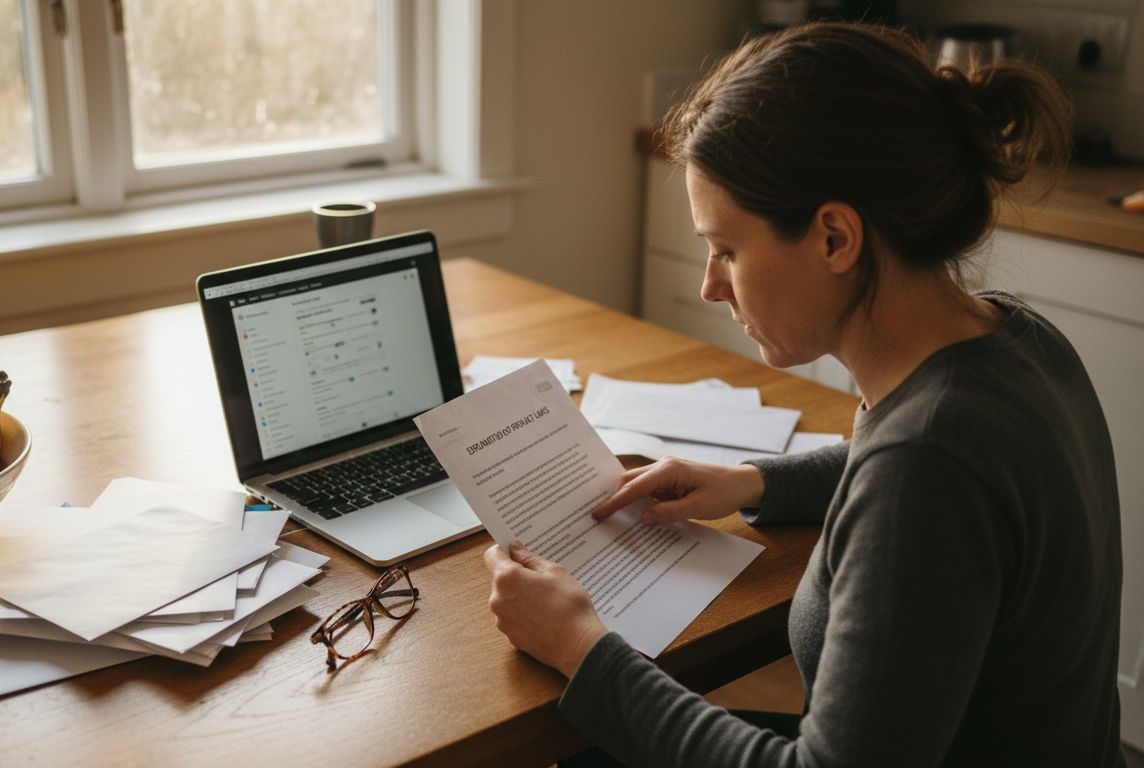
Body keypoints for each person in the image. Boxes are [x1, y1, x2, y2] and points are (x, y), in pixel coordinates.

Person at [482, 21, 1126, 768]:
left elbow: (917, 476)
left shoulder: (926, 466)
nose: (711, 285)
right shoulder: (1017, 339)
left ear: (834, 238)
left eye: (727, 249)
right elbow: (909, 468)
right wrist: (753, 481)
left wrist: (582, 647)